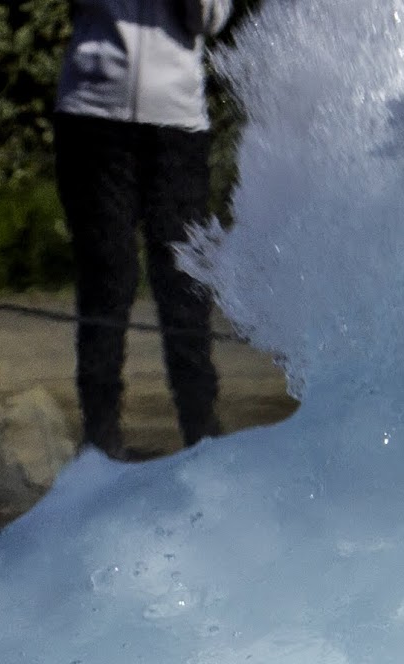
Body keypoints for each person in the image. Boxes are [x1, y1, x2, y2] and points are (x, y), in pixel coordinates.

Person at [53, 0, 234, 459]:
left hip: (177, 123)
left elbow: (211, 19)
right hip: (92, 113)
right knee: (106, 279)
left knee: (183, 281)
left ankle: (202, 435)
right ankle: (100, 440)